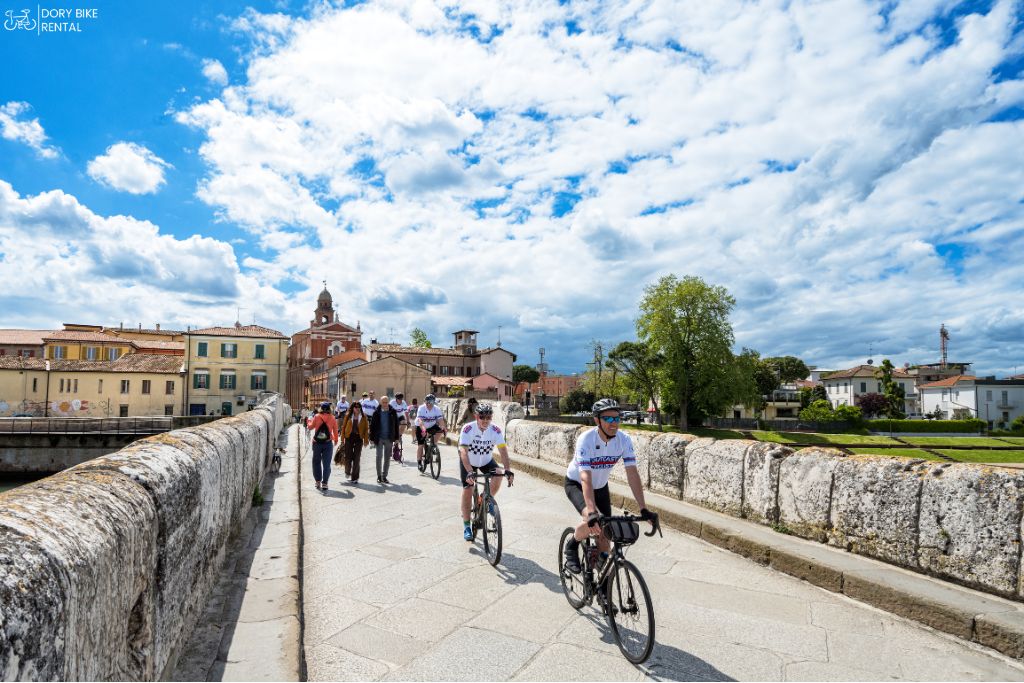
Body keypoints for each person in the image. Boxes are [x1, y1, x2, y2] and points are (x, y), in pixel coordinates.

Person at [562, 398, 654, 573]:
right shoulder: (586, 439)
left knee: (605, 536)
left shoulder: (624, 440)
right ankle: (572, 544)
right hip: (576, 484)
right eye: (609, 419)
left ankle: (604, 586)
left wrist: (643, 508)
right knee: (594, 522)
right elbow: (585, 477)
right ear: (597, 420)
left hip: (601, 487)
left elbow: (632, 474)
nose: (614, 423)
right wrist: (591, 511)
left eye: (617, 418)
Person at [458, 403, 513, 541]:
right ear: (476, 416)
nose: (485, 420)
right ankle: (466, 526)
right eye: (482, 417)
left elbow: (503, 451)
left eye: (488, 417)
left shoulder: (495, 430)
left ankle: (485, 498)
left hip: (486, 461)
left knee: (499, 473)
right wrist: (470, 471)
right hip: (469, 462)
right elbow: (463, 451)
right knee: (468, 488)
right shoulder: (468, 428)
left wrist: (508, 470)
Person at [307, 401, 338, 491]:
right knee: (327, 464)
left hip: (317, 443)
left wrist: (308, 420)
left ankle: (317, 481)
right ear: (329, 409)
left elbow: (310, 427)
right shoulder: (332, 418)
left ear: (321, 408)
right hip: (328, 443)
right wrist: (336, 440)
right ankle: (325, 483)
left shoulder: (316, 417)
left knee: (316, 462)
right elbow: (335, 430)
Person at [370, 395, 400, 484]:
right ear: (380, 402)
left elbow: (396, 425)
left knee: (387, 458)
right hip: (379, 438)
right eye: (383, 402)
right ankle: (379, 476)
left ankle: (384, 476)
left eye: (386, 402)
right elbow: (372, 426)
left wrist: (397, 438)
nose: (385, 404)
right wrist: (371, 438)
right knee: (379, 457)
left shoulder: (393, 412)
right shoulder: (376, 412)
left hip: (389, 438)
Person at [339, 402, 369, 482]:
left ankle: (355, 477)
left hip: (359, 438)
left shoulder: (363, 416)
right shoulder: (348, 415)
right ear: (353, 408)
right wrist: (342, 439)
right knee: (348, 457)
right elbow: (343, 427)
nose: (357, 408)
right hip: (349, 437)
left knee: (357, 458)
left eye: (359, 407)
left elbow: (366, 428)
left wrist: (366, 440)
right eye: (356, 407)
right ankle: (347, 471)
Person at [415, 393, 447, 468]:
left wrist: (443, 428)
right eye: (428, 402)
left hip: (432, 426)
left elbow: (440, 420)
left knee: (440, 431)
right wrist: (423, 430)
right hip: (421, 426)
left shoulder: (437, 409)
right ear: (425, 402)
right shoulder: (421, 408)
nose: (429, 404)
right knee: (421, 445)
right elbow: (420, 421)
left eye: (432, 402)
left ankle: (434, 444)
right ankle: (419, 462)